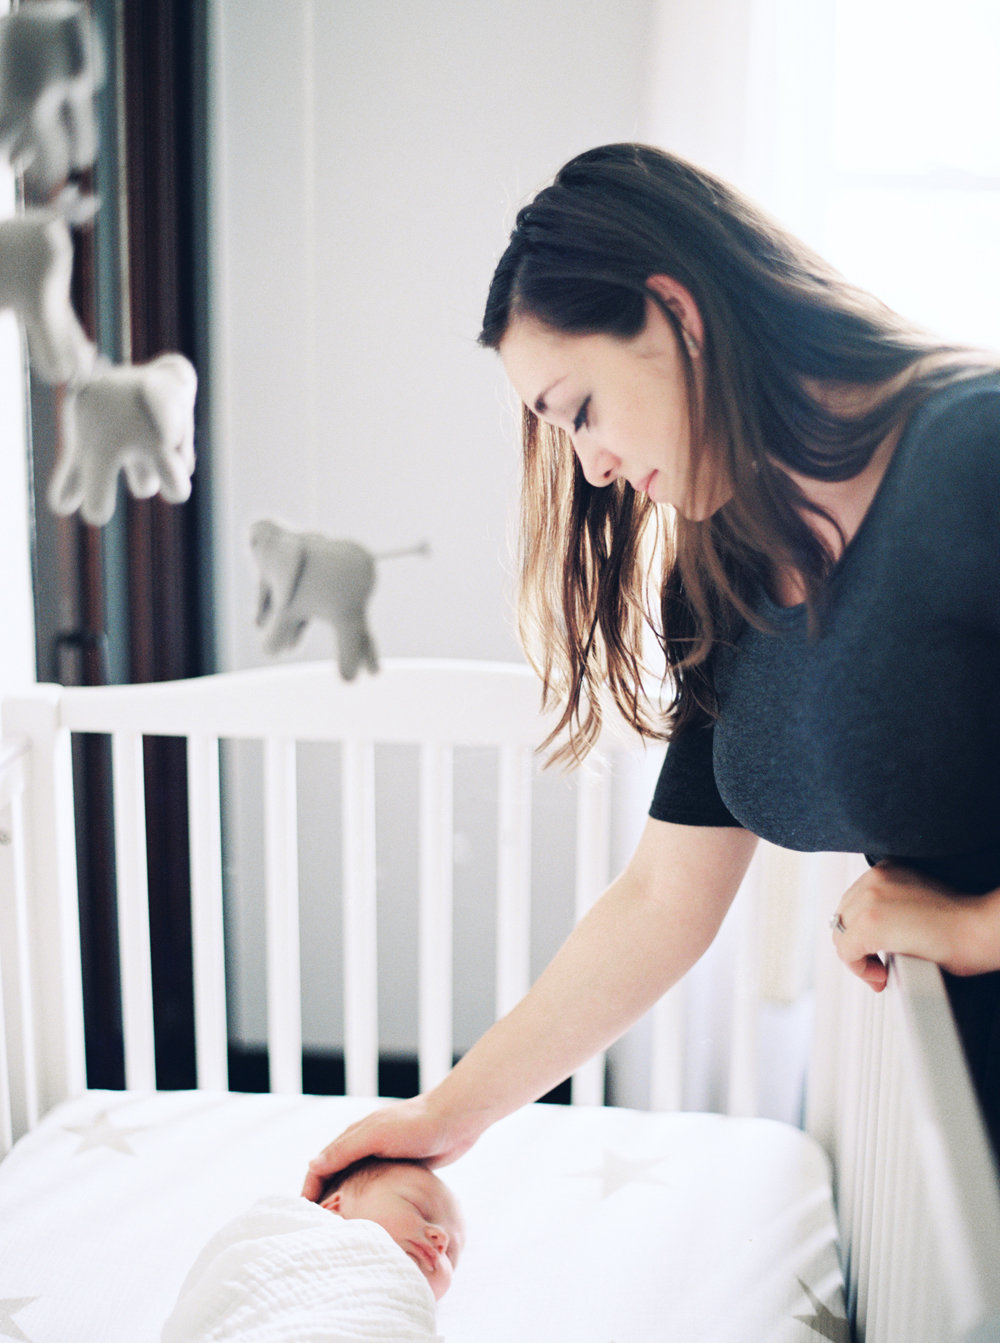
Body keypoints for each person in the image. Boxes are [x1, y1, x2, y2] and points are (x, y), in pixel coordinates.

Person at [301, 141, 1000, 1197]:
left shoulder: (970, 454)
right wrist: (443, 1115)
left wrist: (966, 925)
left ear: (675, 312)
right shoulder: (722, 572)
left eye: (579, 409)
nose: (592, 466)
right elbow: (664, 897)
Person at [161, 1159, 463, 1342]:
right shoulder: (292, 1234)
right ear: (334, 1206)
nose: (441, 1239)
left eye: (452, 1253)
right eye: (419, 1208)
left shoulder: (404, 1306)